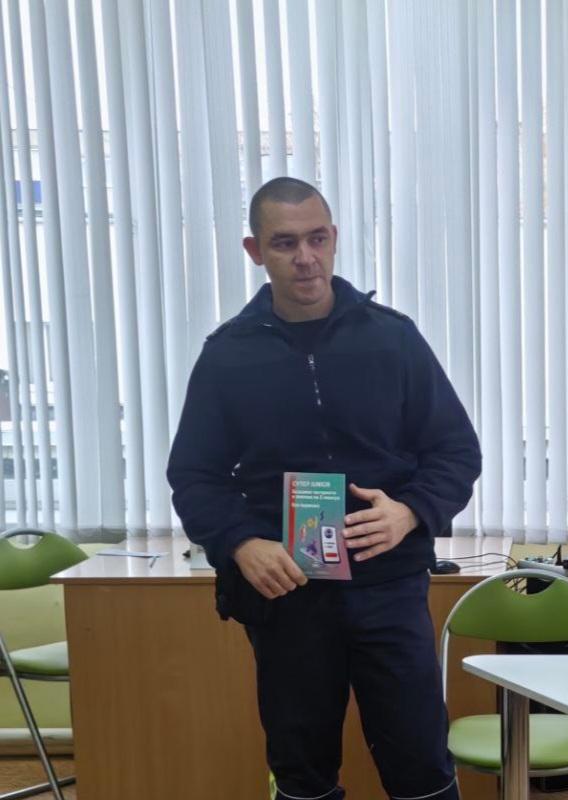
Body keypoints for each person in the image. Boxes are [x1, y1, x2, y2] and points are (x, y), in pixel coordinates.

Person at [167, 177, 481, 800]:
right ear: (255, 250)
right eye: (285, 243)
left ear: (334, 238)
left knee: (420, 760)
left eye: (317, 239)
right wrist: (241, 543)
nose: (305, 258)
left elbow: (455, 452)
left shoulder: (393, 338)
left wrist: (411, 511)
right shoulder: (226, 355)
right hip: (287, 592)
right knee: (301, 768)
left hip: (388, 584)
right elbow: (195, 475)